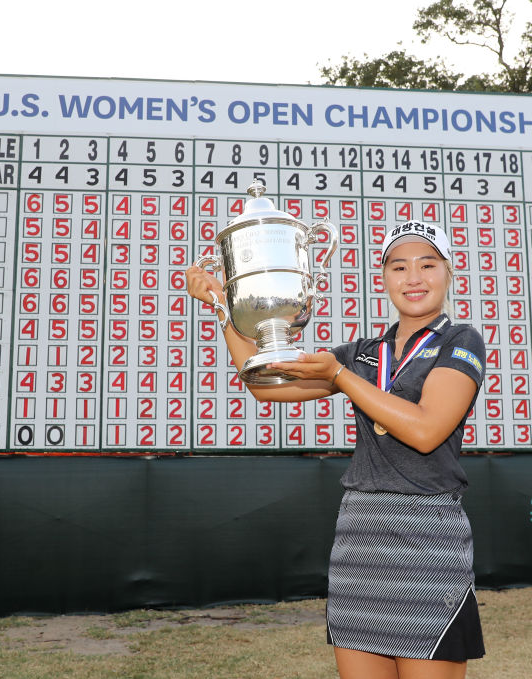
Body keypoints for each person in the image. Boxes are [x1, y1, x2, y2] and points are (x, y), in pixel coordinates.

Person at [185, 219, 486, 679]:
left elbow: (427, 431)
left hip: (429, 537)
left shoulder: (460, 340)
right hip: (359, 535)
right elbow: (264, 384)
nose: (414, 278)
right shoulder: (363, 352)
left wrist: (340, 378)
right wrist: (223, 307)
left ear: (448, 274)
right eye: (399, 266)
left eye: (428, 265)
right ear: (383, 278)